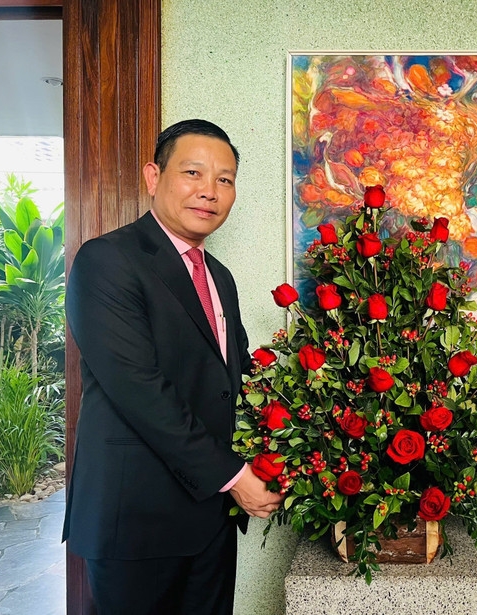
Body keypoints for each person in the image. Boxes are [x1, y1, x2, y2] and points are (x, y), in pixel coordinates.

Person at [63, 119, 283, 614]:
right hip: (136, 518)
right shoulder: (107, 260)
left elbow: (234, 379)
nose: (210, 191)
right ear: (153, 177)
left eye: (224, 180)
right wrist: (236, 477)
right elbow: (141, 391)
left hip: (209, 516)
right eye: (193, 173)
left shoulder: (218, 276)